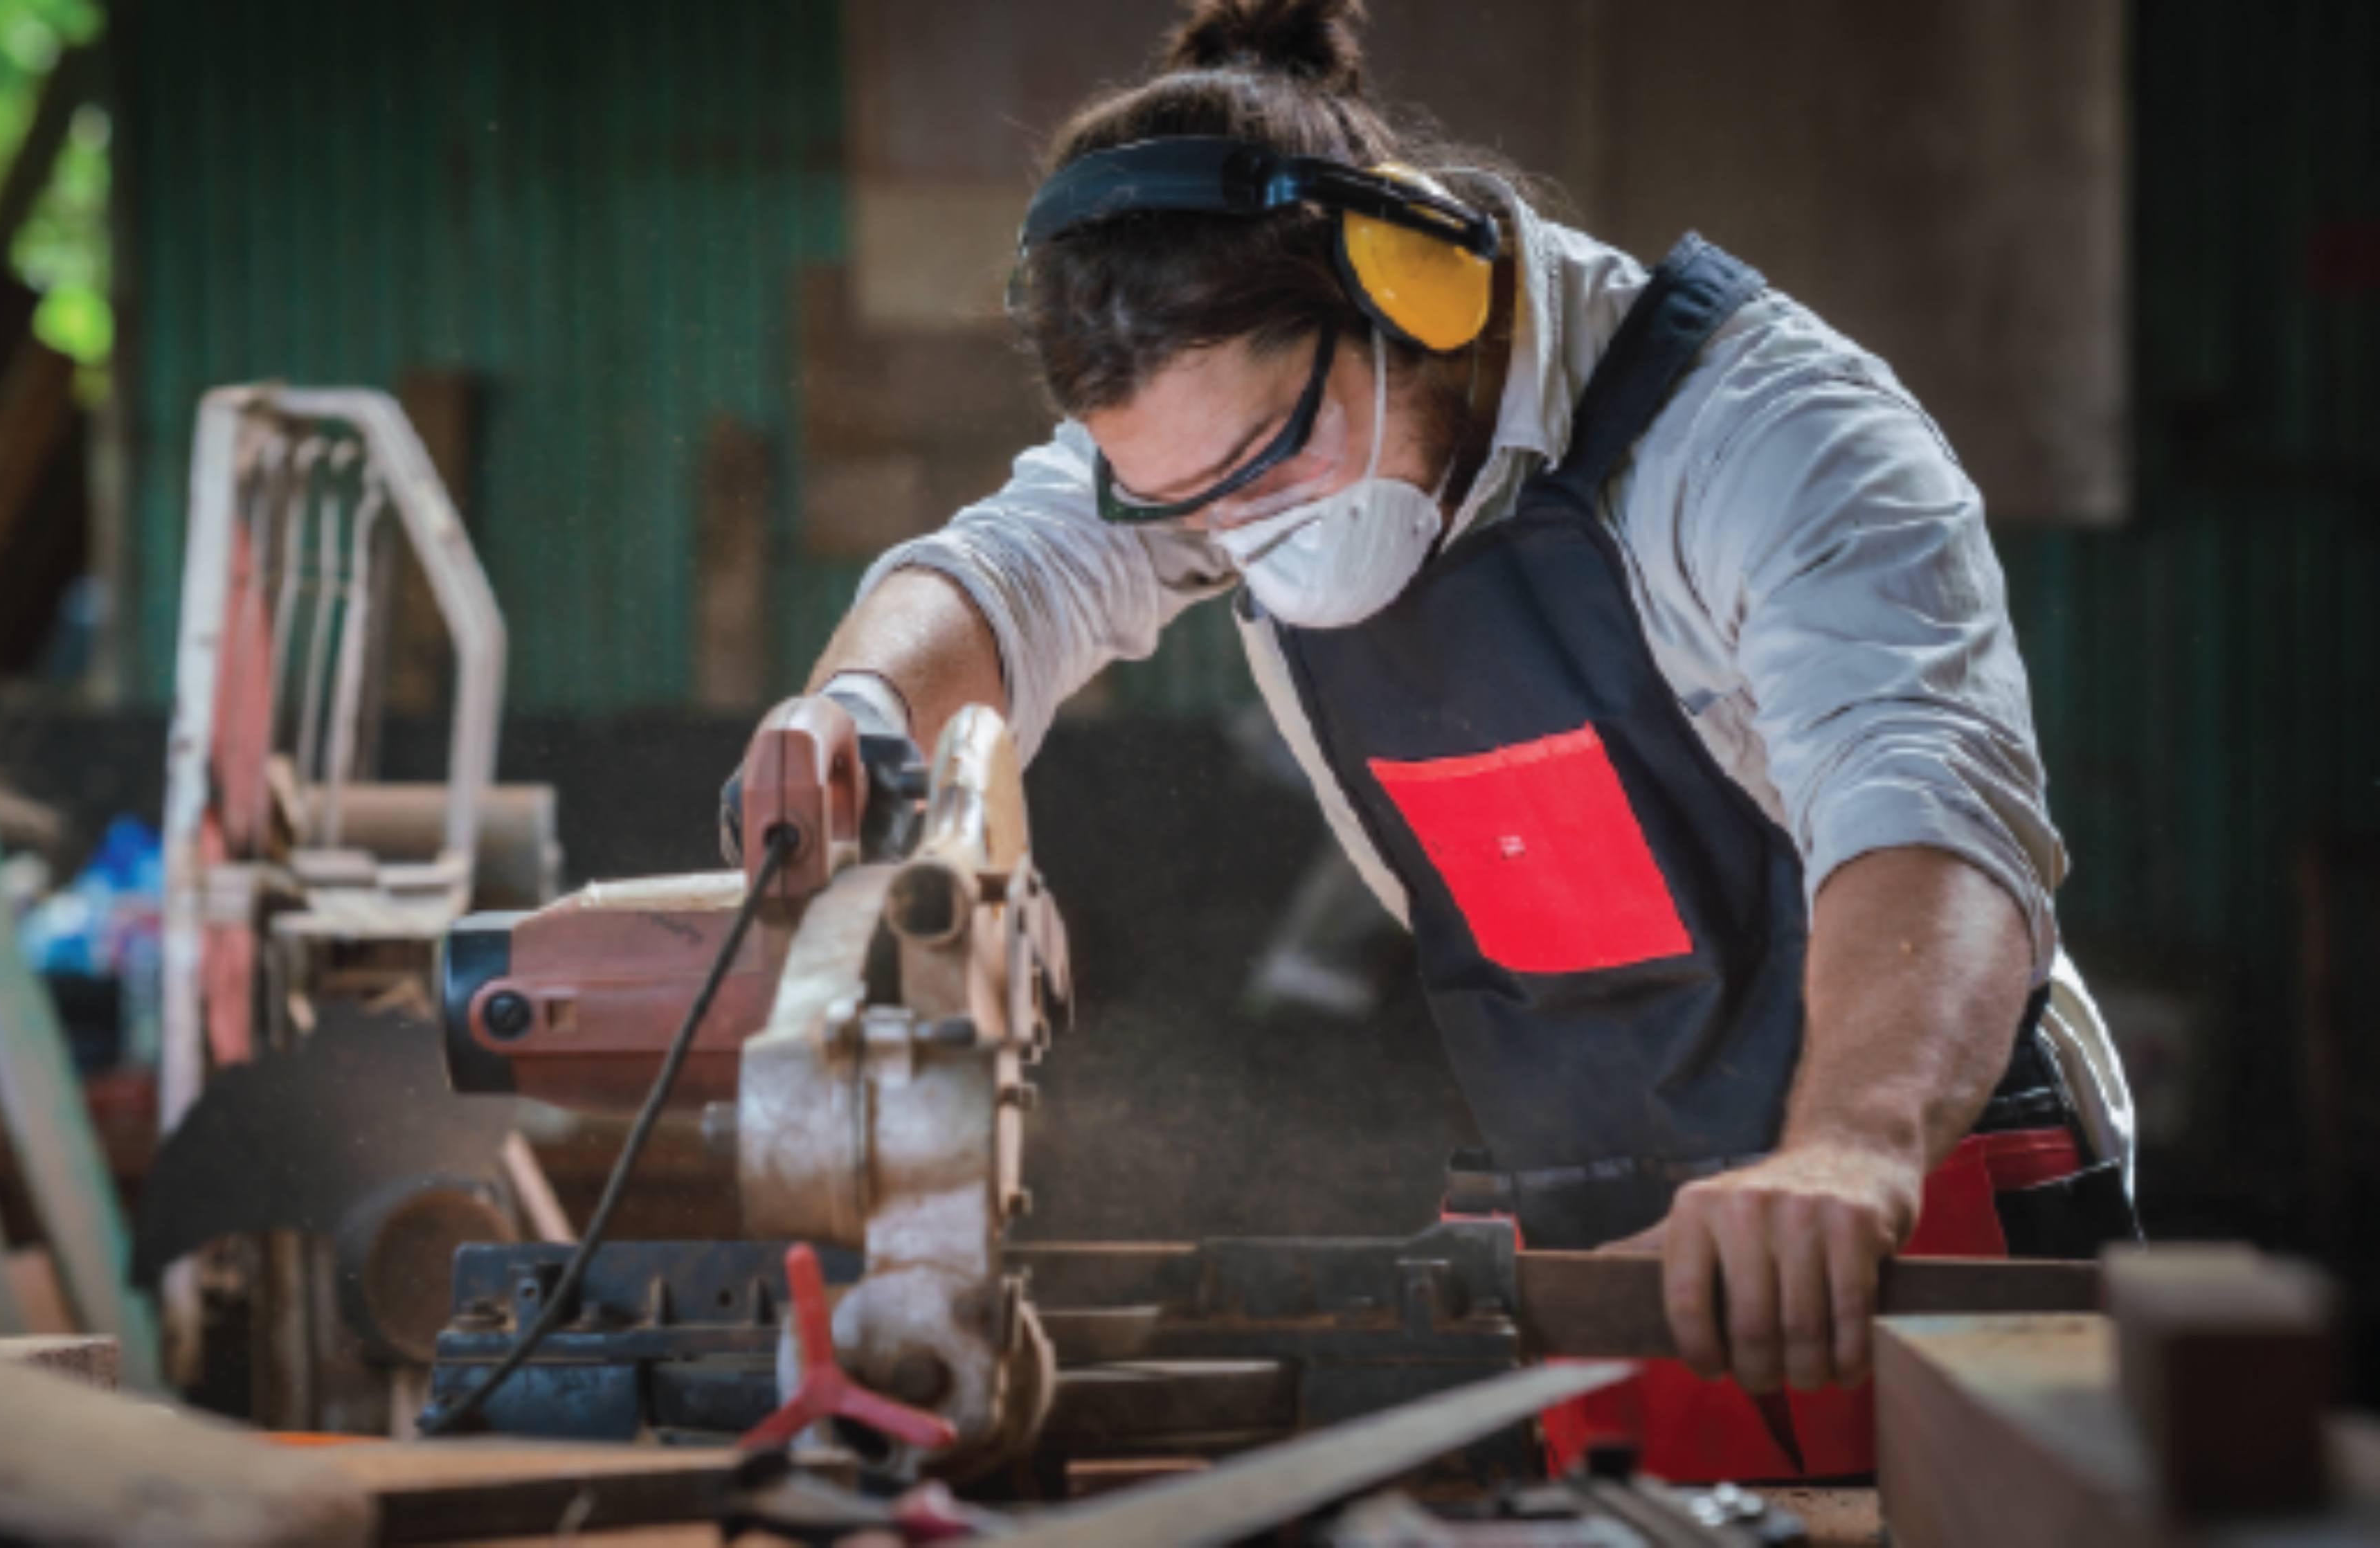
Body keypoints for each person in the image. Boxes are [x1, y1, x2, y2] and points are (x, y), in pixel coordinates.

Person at [768, 0, 2140, 1480]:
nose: (1247, 533)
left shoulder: (1771, 434)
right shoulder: (1203, 457)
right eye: (1188, 503)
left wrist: (1850, 1146)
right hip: (1565, 1194)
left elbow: (1923, 801)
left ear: (1414, 290)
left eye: (1270, 459)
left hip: (1911, 1176)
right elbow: (1004, 572)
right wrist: (851, 709)